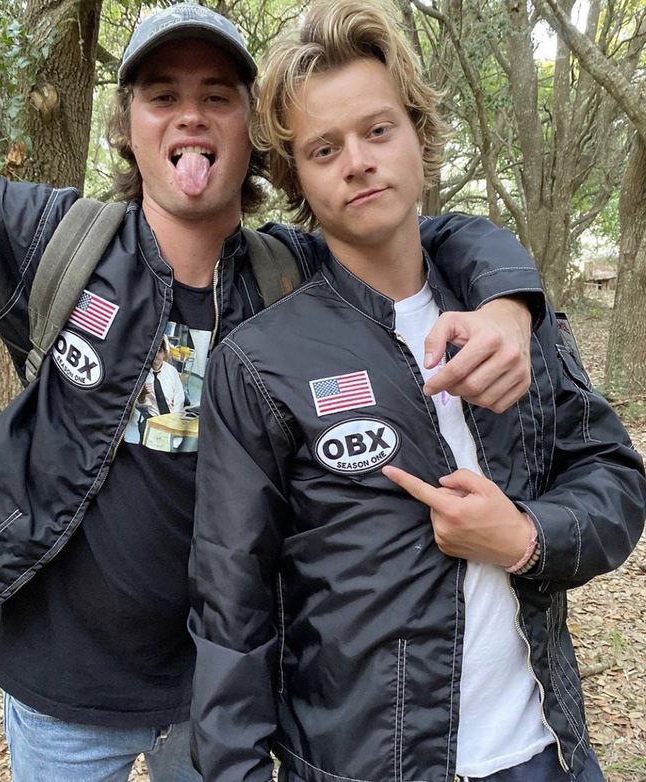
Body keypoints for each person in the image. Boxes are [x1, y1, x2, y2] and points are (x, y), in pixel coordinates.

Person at [0, 3, 543, 781]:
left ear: (254, 130)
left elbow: (433, 233)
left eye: (217, 96)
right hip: (61, 690)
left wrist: (512, 303)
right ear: (129, 123)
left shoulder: (296, 278)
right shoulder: (51, 243)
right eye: (162, 96)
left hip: (217, 699)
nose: (190, 118)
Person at [187, 2, 646, 781]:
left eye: (377, 130)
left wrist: (528, 538)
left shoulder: (509, 319)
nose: (358, 161)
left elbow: (617, 483)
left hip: (545, 754)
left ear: (419, 134)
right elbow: (232, 615)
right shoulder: (261, 363)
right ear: (296, 175)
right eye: (324, 148)